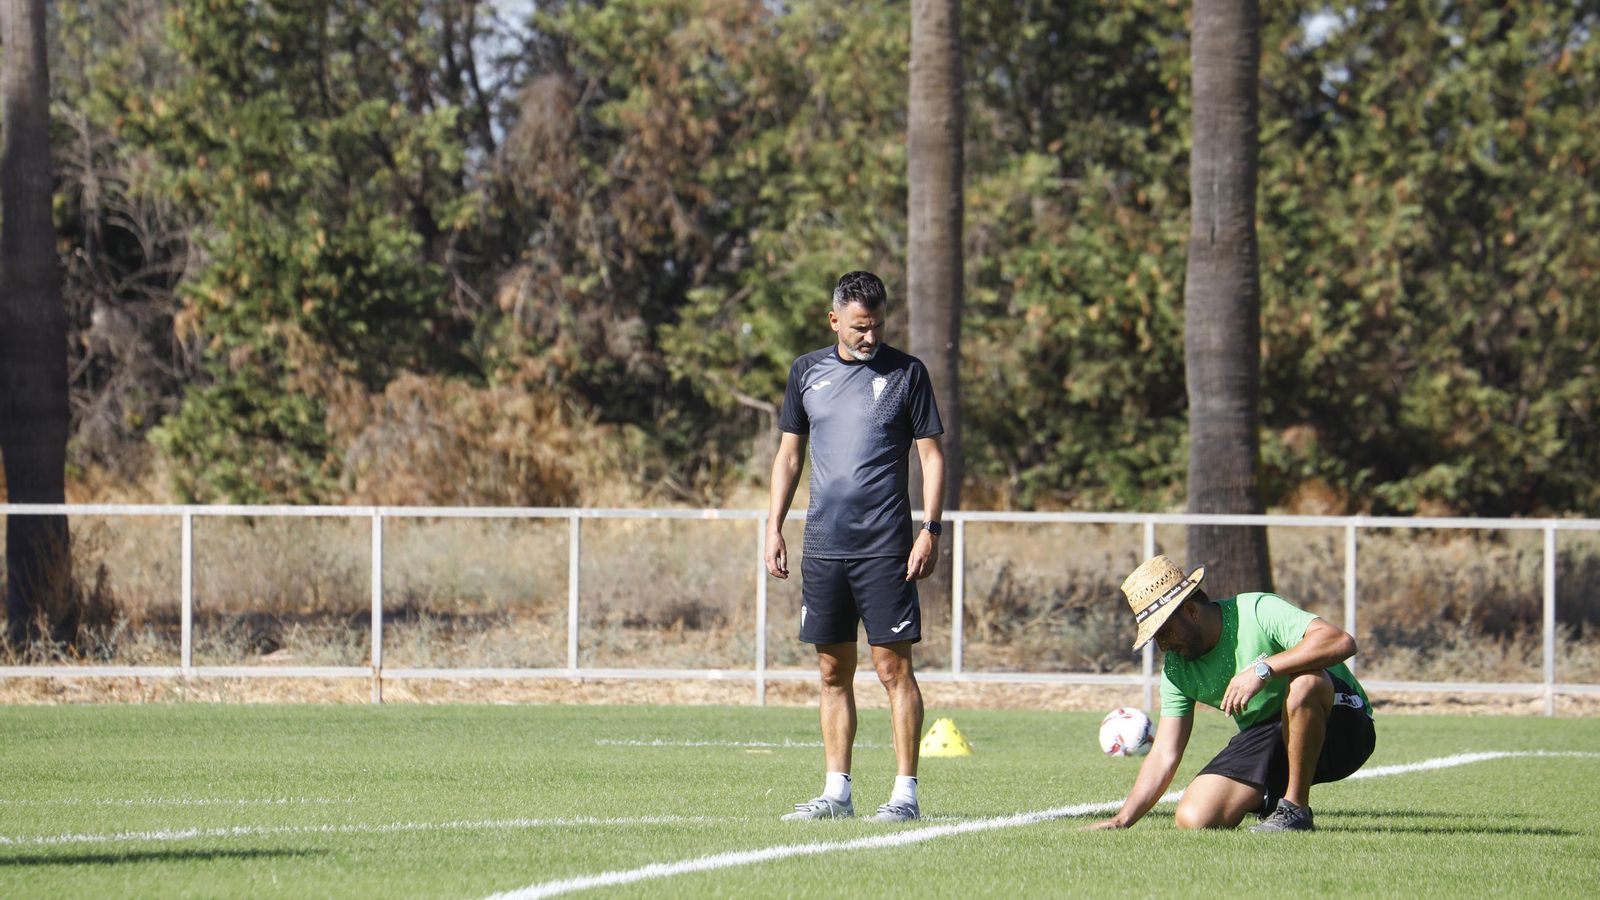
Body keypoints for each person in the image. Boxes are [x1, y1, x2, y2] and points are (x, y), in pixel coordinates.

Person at [765, 270, 945, 823]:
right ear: (835, 319)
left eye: (878, 327)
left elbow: (931, 457)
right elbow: (789, 456)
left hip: (886, 546)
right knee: (830, 673)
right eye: (860, 328)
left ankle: (905, 795)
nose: (870, 337)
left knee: (893, 671)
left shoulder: (908, 373)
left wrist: (930, 529)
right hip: (823, 546)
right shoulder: (806, 372)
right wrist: (773, 525)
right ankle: (837, 793)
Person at [1089, 555, 1375, 832]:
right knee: (1195, 818)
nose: (1163, 646)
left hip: (1343, 728)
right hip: (1272, 736)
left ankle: (1295, 810)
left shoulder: (1257, 610)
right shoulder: (1177, 670)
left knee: (1305, 683)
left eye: (1164, 632)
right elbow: (1165, 752)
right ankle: (1270, 797)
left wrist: (1263, 670)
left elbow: (1340, 641)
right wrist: (1123, 818)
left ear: (1190, 611)